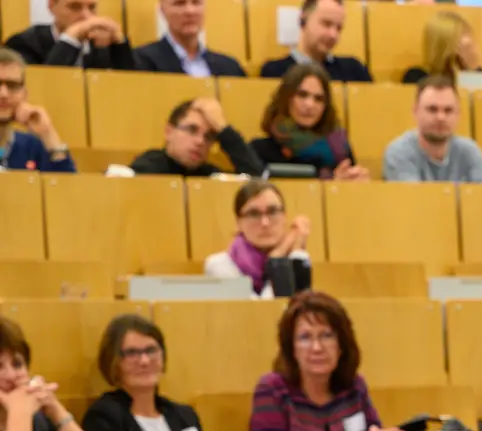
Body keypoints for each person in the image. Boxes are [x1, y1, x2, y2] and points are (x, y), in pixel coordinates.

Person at [248, 291, 402, 431]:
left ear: (341, 344)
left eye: (327, 335)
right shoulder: (273, 390)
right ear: (291, 348)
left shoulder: (354, 387)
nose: (317, 348)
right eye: (305, 337)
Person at [81, 315, 207, 431]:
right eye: (131, 353)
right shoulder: (104, 418)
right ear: (113, 361)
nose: (144, 361)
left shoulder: (184, 416)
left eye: (151, 350)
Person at [0, 317, 101, 431]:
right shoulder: (24, 416)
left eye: (17, 364)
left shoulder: (40, 422)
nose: (11, 376)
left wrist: (56, 410)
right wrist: (19, 413)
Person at [250, 63, 368, 180]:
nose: (310, 105)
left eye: (319, 99)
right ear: (286, 98)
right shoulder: (260, 150)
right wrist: (332, 185)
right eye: (302, 95)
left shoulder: (339, 149)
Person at [202, 178, 311, 297]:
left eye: (272, 211)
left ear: (285, 217)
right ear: (238, 223)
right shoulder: (220, 265)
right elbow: (260, 311)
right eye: (253, 214)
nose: (265, 223)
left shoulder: (295, 259)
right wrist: (277, 259)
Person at [382, 76, 482, 184]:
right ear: (415, 111)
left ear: (458, 115)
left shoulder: (470, 151)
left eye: (448, 110)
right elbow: (413, 200)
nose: (441, 117)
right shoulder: (399, 152)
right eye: (432, 109)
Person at [130, 97, 264, 177]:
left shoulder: (210, 176)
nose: (200, 142)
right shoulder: (149, 166)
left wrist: (223, 129)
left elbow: (258, 179)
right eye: (192, 130)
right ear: (169, 132)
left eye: (209, 137)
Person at [259, 0, 371, 82]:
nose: (333, 35)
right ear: (303, 20)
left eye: (339, 28)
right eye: (326, 24)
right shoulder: (274, 72)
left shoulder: (355, 70)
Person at [0, 49, 75, 172]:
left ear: (24, 94)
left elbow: (67, 189)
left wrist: (48, 133)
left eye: (12, 85)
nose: (3, 94)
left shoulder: (32, 146)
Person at [3, 0, 135, 70]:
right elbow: (43, 87)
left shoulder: (105, 44)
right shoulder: (23, 43)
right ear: (51, 5)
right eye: (75, 7)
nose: (86, 16)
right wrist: (70, 39)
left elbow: (132, 89)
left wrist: (120, 43)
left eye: (92, 7)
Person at [132, 0, 245, 77]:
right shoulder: (142, 62)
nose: (190, 11)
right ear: (162, 10)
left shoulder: (230, 68)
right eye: (179, 3)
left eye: (196, 3)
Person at [401, 10, 481, 85]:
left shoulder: (480, 75)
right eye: (463, 34)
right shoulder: (417, 77)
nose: (470, 42)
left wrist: (471, 69)